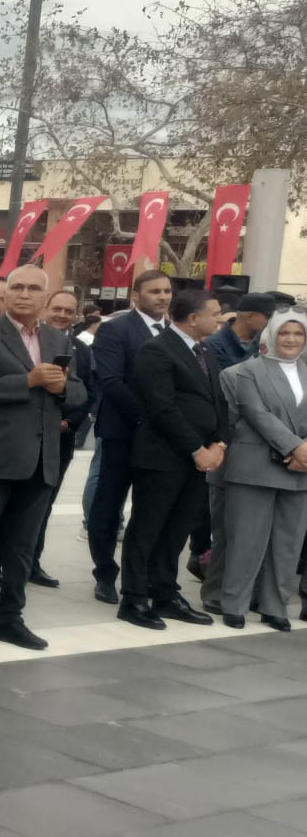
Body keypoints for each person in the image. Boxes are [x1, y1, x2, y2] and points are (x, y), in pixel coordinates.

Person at [0, 265, 85, 652]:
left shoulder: (58, 338)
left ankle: (10, 617)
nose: (25, 294)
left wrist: (62, 388)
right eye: (17, 287)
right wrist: (27, 381)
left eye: (33, 288)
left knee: (23, 547)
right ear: (5, 294)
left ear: (46, 296)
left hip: (41, 459)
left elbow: (79, 393)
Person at [120, 287, 227, 630]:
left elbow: (218, 401)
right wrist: (197, 449)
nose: (219, 319)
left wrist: (219, 444)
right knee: (147, 529)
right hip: (162, 458)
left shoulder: (204, 349)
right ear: (194, 317)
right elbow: (162, 408)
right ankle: (134, 598)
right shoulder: (157, 350)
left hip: (199, 460)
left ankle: (164, 592)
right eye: (214, 313)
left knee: (177, 529)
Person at [214, 311, 307, 630]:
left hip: (300, 469)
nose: (291, 339)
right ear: (272, 336)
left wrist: (303, 453)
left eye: (298, 334)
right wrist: (295, 448)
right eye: (284, 333)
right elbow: (256, 414)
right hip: (255, 465)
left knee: (287, 542)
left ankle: (274, 605)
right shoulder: (249, 370)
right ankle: (234, 603)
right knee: (246, 539)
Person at [88, 269, 176, 603]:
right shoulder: (116, 328)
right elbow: (111, 382)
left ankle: (142, 575)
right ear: (136, 296)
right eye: (155, 291)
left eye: (167, 291)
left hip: (162, 438)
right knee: (109, 506)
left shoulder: (174, 331)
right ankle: (105, 573)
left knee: (151, 507)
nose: (163, 297)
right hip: (123, 432)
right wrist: (150, 417)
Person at [28, 287, 94, 587]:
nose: (62, 315)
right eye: (57, 308)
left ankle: (32, 561)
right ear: (46, 308)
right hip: (24, 435)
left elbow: (88, 391)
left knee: (45, 502)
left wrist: (68, 422)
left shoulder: (81, 349)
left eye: (69, 311)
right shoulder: (28, 341)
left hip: (60, 438)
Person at [208, 292, 274, 371]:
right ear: (250, 317)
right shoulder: (214, 344)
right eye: (267, 317)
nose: (271, 322)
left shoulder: (266, 341)